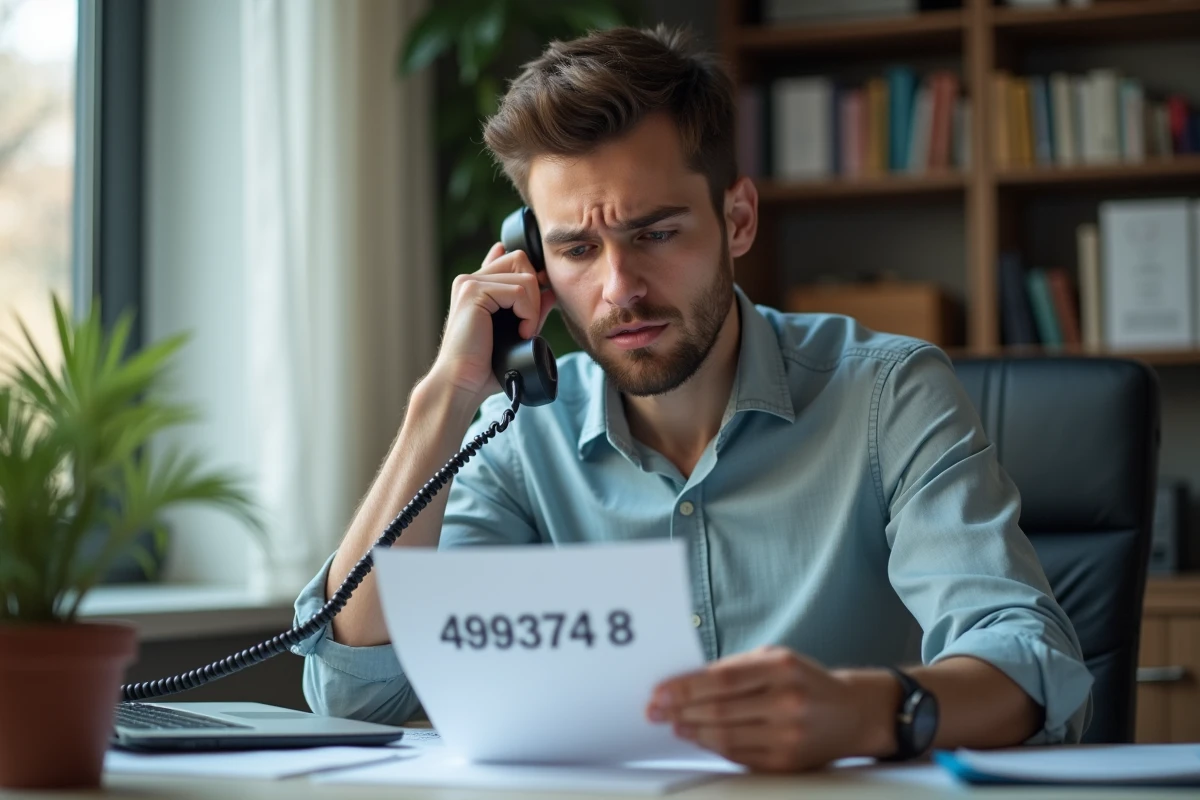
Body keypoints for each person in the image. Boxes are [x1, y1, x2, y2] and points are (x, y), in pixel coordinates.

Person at [290, 25, 1092, 772]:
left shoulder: (889, 395)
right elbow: (356, 692)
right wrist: (444, 397)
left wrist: (860, 711)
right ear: (531, 260)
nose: (620, 289)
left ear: (737, 219)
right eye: (578, 248)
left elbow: (1033, 666)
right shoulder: (518, 439)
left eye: (655, 233)